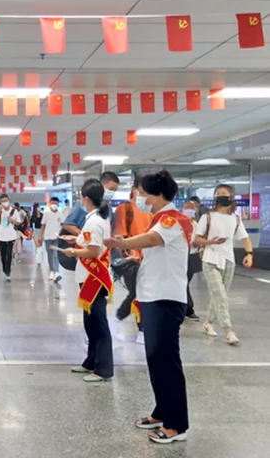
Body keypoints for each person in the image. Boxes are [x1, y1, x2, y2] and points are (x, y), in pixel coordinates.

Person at [104, 169, 193, 444]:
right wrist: (131, 255)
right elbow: (154, 249)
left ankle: (176, 424)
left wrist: (123, 242)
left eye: (142, 193)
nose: (138, 197)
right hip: (153, 297)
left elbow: (153, 240)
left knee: (167, 361)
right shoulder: (159, 219)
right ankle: (161, 410)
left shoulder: (171, 219)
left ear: (158, 195)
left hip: (166, 299)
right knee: (155, 360)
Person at [62, 180, 113, 382]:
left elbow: (93, 251)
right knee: (90, 322)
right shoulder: (99, 218)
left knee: (98, 323)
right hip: (90, 277)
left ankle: (104, 368)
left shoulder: (93, 221)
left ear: (85, 199)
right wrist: (75, 241)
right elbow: (92, 243)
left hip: (94, 279)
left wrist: (73, 250)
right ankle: (91, 361)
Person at [193, 184, 254, 345]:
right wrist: (209, 241)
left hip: (229, 261)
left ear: (231, 197)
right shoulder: (207, 217)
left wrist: (249, 254)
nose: (221, 195)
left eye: (224, 193)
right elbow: (196, 239)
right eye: (218, 193)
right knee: (221, 296)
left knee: (219, 296)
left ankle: (208, 323)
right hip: (210, 260)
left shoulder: (235, 219)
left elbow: (245, 238)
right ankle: (228, 331)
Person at [113, 177, 153, 344]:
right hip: (132, 259)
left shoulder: (153, 210)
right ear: (135, 189)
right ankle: (140, 328)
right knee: (137, 293)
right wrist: (125, 254)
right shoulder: (125, 208)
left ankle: (119, 321)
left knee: (143, 294)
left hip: (150, 258)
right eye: (142, 190)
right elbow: (120, 235)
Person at [62, 172, 120, 236]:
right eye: (111, 189)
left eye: (115, 190)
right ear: (100, 185)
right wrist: (83, 236)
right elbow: (67, 224)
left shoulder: (108, 209)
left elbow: (110, 230)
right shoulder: (84, 205)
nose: (112, 193)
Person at [0, 194, 24, 281]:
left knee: (9, 254)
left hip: (11, 236)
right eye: (2, 201)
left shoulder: (13, 211)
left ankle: (8, 272)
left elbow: (18, 223)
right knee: (3, 256)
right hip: (1, 236)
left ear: (8, 201)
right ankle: (5, 270)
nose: (5, 203)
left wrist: (12, 220)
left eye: (6, 201)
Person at [182, 201, 201, 321]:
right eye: (187, 207)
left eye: (192, 208)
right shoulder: (178, 223)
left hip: (192, 257)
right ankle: (188, 308)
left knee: (184, 282)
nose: (189, 210)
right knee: (183, 283)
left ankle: (187, 308)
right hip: (179, 256)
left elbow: (199, 239)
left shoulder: (196, 224)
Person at [40, 197, 63, 282]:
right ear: (50, 203)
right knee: (50, 255)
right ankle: (52, 271)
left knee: (55, 255)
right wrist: (40, 236)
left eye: (56, 203)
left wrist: (60, 234)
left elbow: (63, 225)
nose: (54, 205)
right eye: (52, 203)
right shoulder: (46, 213)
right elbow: (43, 225)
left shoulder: (60, 214)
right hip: (47, 237)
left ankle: (56, 272)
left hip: (56, 238)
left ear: (58, 204)